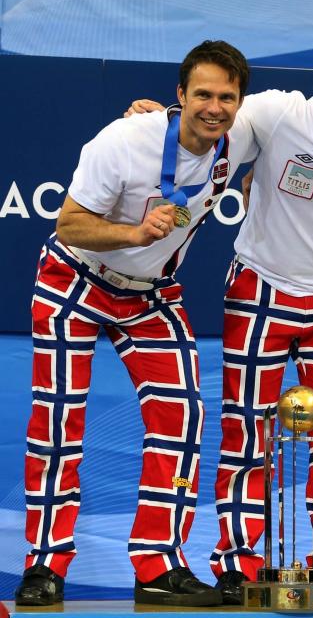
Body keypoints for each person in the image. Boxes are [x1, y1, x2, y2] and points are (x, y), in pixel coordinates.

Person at [124, 42, 313, 606]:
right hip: (261, 291)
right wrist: (158, 124)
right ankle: (239, 562)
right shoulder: (278, 114)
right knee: (247, 438)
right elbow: (207, 129)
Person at [15, 40, 254, 607]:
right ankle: (45, 564)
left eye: (226, 97)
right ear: (180, 95)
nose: (214, 108)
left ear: (241, 103)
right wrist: (134, 233)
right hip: (76, 278)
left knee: (183, 417)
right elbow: (69, 224)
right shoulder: (124, 140)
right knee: (57, 422)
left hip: (152, 295)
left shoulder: (243, 134)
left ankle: (159, 562)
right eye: (202, 94)